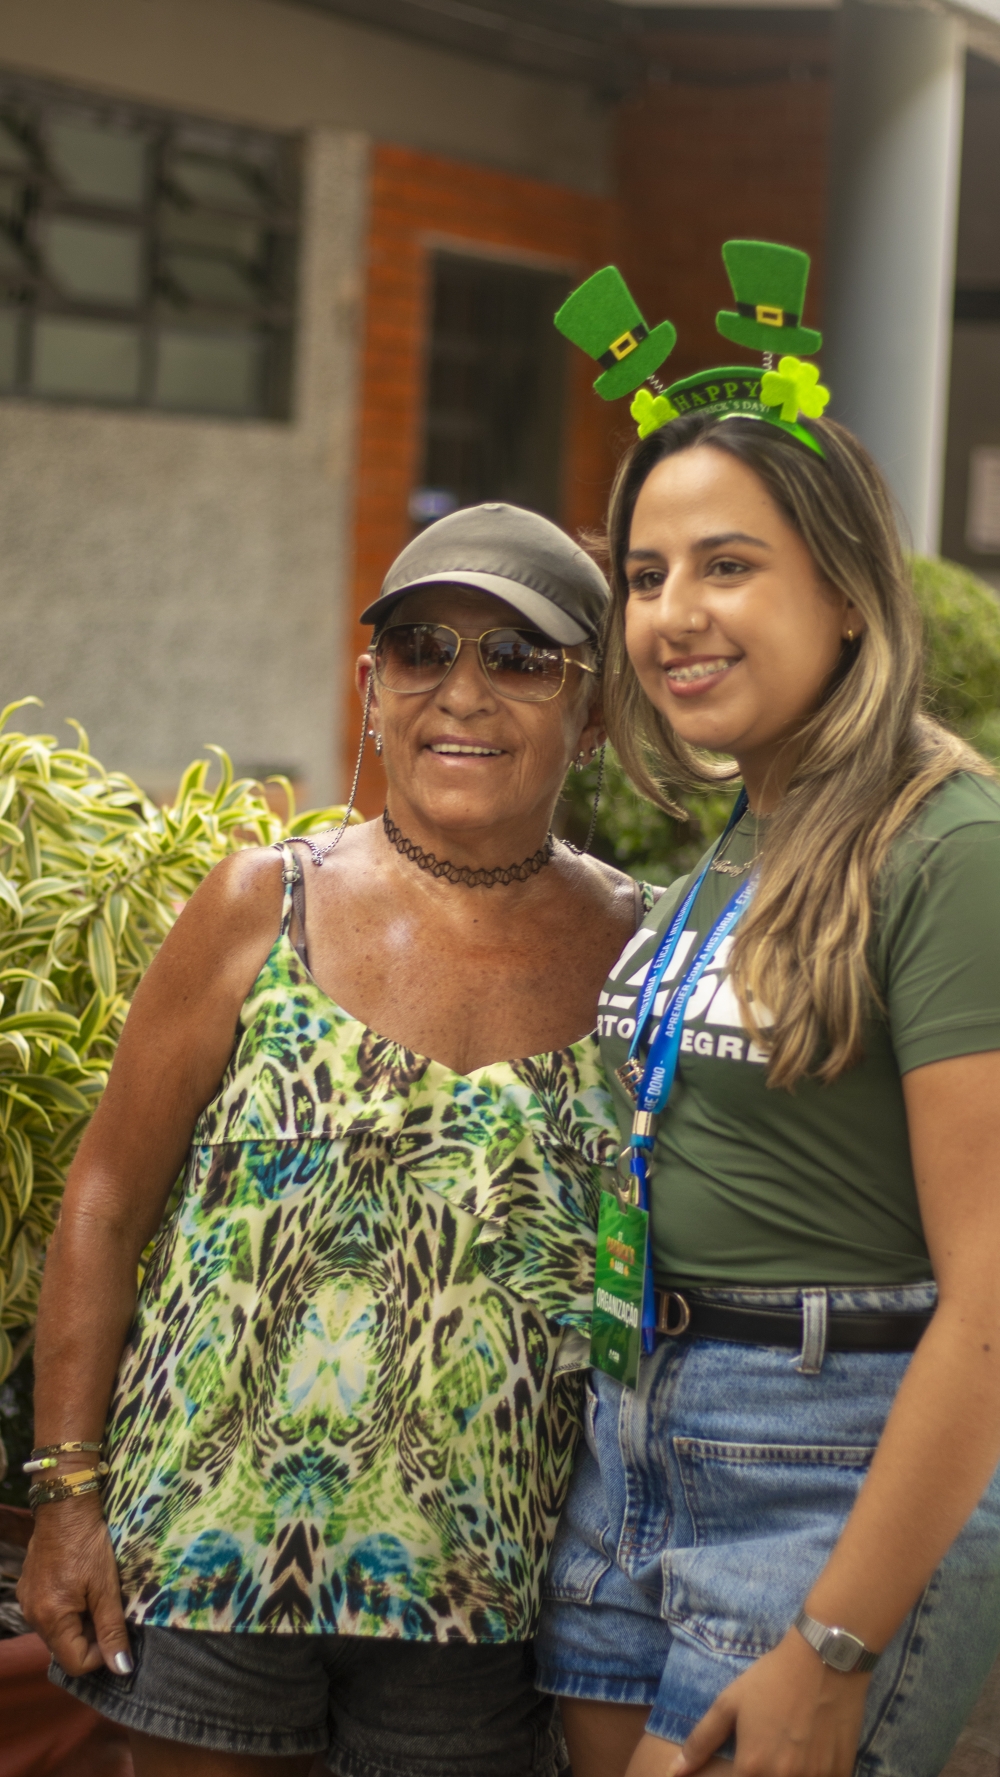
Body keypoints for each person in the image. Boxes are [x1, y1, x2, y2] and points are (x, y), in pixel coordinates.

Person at [18, 503, 653, 1777]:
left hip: (488, 1595)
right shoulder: (263, 902)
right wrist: (66, 1495)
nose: (461, 692)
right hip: (209, 1568)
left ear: (592, 713)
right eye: (422, 650)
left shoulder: (643, 955)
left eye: (519, 657)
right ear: (371, 688)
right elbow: (103, 1200)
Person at [533, 405, 1000, 1777]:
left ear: (848, 593)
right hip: (634, 1431)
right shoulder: (746, 832)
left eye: (727, 565)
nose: (674, 613)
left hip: (824, 1463)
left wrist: (837, 1638)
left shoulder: (950, 846)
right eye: (647, 574)